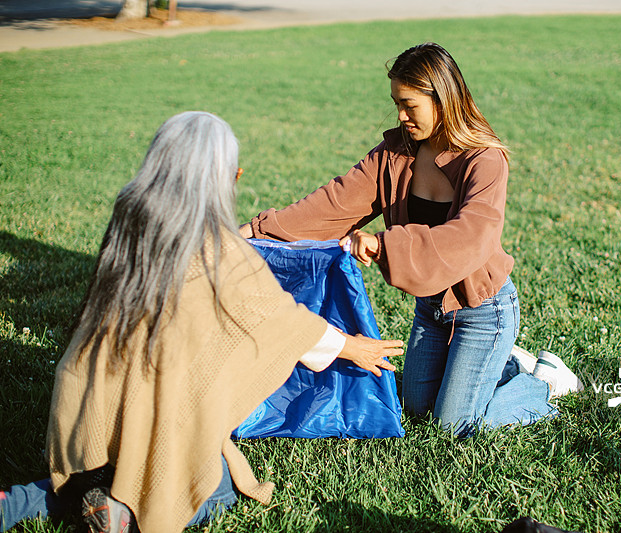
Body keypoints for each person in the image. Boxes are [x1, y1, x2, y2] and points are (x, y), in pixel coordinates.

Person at [0, 111, 403, 533]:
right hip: (155, 410)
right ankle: (126, 514)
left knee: (87, 479)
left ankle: (21, 502)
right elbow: (281, 321)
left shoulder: (129, 219)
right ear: (223, 178)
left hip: (91, 398)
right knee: (218, 488)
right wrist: (351, 347)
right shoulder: (222, 250)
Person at [239, 43, 582, 437]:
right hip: (431, 310)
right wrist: (253, 231)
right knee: (416, 409)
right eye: (396, 103)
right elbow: (332, 206)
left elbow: (470, 236)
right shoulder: (394, 154)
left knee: (454, 426)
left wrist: (384, 245)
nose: (401, 115)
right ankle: (501, 366)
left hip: (482, 310)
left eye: (409, 105)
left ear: (443, 99)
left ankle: (542, 383)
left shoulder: (485, 159)